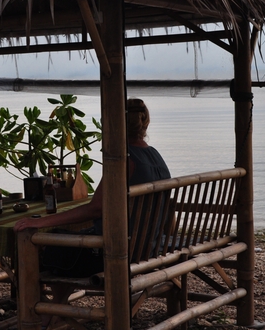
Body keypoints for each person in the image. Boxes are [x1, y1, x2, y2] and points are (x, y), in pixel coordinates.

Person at [13, 98, 171, 307]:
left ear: (115, 124)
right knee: (65, 244)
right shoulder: (156, 156)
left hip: (117, 253)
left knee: (52, 245)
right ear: (145, 123)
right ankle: (58, 310)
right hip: (150, 248)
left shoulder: (123, 160)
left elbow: (95, 208)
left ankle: (52, 310)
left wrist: (40, 222)